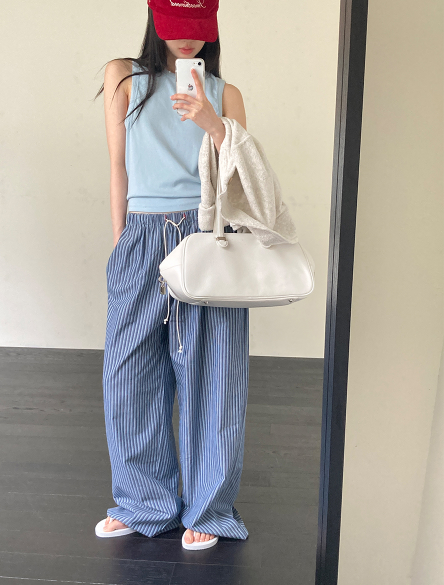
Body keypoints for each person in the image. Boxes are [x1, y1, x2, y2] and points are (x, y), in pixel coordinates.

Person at [94, 0, 250, 551]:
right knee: (128, 375)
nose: (188, 41)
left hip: (206, 235)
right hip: (141, 233)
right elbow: (118, 166)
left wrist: (211, 121)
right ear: (155, 18)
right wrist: (121, 244)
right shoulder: (123, 77)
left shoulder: (226, 93)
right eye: (178, 29)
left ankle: (209, 508)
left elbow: (240, 178)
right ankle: (143, 503)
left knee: (214, 375)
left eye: (198, 30)